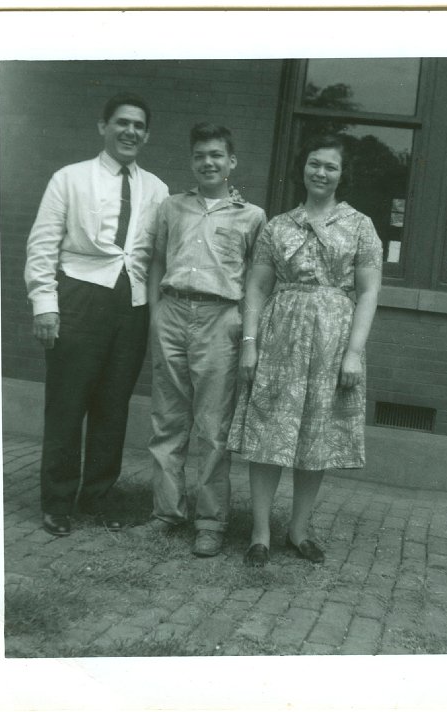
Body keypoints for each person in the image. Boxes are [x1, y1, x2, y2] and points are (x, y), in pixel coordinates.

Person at [228, 134, 383, 567]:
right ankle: (260, 533)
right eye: (314, 163)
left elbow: (369, 292)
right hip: (280, 337)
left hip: (333, 340)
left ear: (341, 175)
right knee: (269, 432)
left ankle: (298, 530)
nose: (320, 172)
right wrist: (249, 344)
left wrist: (354, 351)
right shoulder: (277, 226)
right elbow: (257, 287)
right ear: (303, 167)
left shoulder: (360, 226)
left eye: (330, 167)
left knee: (316, 433)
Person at [25, 93, 169, 537]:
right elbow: (42, 245)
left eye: (139, 126)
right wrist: (45, 305)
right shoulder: (69, 178)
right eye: (122, 123)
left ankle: (98, 497)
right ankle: (57, 502)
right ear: (103, 126)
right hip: (79, 298)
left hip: (132, 306)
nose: (130, 131)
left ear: (146, 134)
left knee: (112, 406)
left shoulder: (157, 189)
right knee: (68, 404)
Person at [145, 123, 267, 557]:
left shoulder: (251, 216)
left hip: (220, 318)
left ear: (231, 162)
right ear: (192, 161)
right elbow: (157, 259)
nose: (208, 162)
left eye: (217, 155)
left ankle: (211, 521)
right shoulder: (172, 207)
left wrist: (245, 329)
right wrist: (157, 312)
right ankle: (166, 512)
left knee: (214, 426)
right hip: (173, 313)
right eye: (200, 155)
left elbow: (256, 280)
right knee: (168, 420)